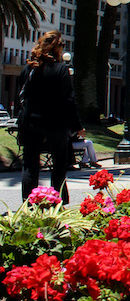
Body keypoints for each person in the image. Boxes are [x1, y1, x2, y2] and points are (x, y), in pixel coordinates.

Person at [17, 32, 82, 204]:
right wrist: (77, 125)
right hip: (55, 123)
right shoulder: (61, 70)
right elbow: (69, 100)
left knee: (30, 164)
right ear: (57, 48)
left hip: (30, 122)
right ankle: (57, 201)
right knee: (59, 163)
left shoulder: (29, 69)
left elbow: (21, 97)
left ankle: (28, 202)